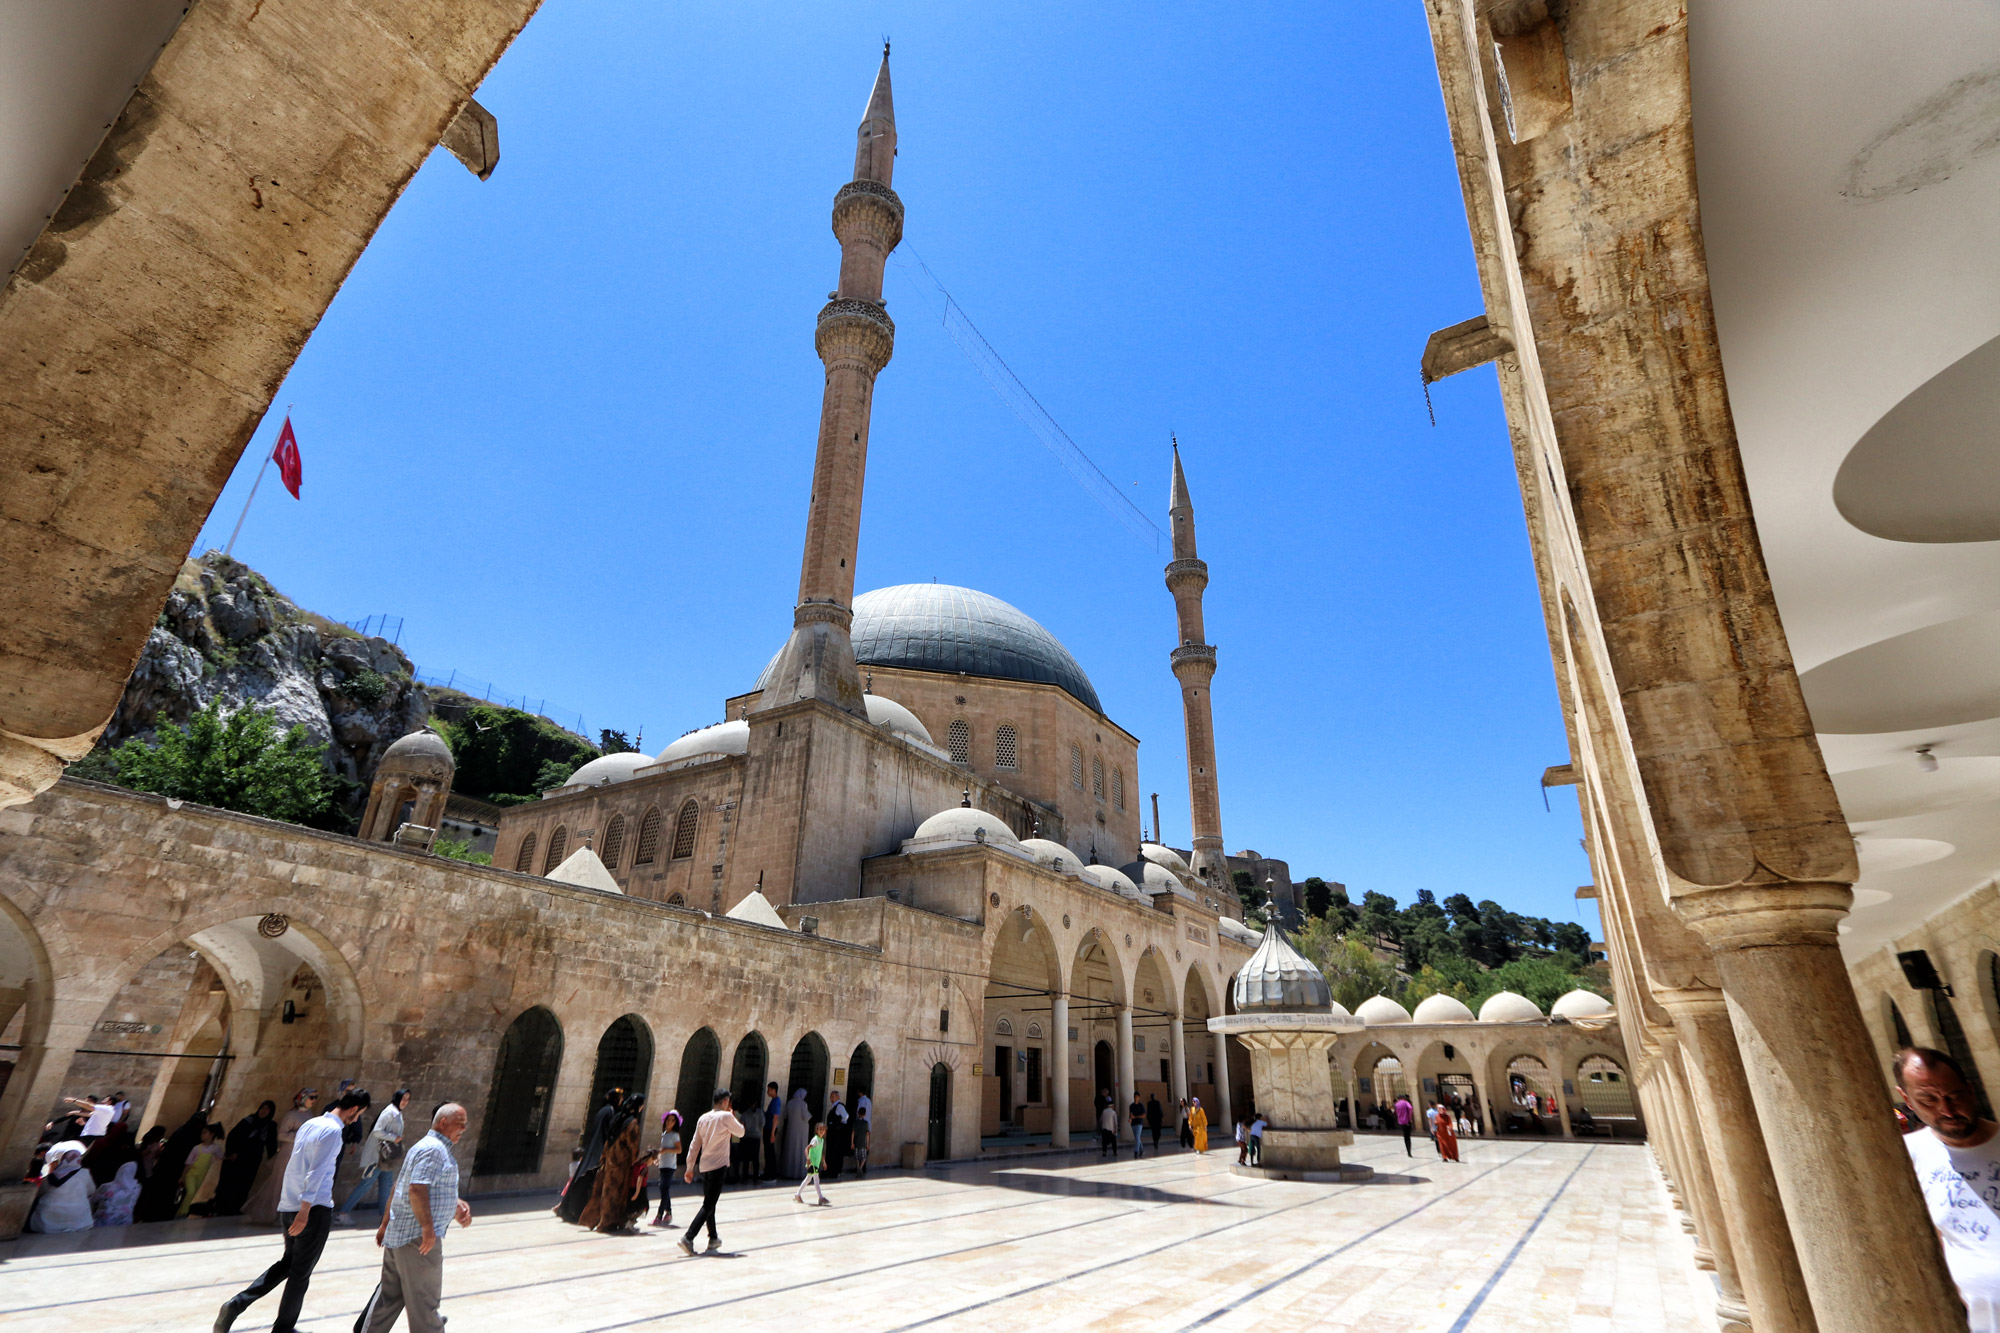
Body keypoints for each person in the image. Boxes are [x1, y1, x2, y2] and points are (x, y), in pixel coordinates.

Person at [214, 1087, 371, 1333]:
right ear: (354, 1109)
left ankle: (237, 1303)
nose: (357, 1118)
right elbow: (316, 1171)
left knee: (288, 1263)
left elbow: (294, 1163)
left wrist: (291, 1204)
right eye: (359, 1113)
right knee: (300, 1273)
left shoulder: (311, 1124)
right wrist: (305, 1209)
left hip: (290, 1204)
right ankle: (283, 1328)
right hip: (312, 1209)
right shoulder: (332, 1131)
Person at [1896, 1046, 2000, 1331]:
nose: (1947, 1110)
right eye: (1928, 1099)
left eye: (1954, 1096)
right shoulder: (1905, 1156)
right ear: (1907, 1099)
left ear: (1970, 1090)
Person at [355, 1102, 473, 1333]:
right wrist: (428, 1228)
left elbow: (401, 1185)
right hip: (418, 1240)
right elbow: (416, 1189)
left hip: (401, 1236)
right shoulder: (434, 1149)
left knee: (388, 1300)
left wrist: (454, 1204)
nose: (463, 1129)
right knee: (424, 1305)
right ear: (443, 1123)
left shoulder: (426, 1146)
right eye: (460, 1124)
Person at [679, 1087, 743, 1256]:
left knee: (710, 1204)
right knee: (708, 1204)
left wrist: (690, 1167)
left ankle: (713, 1238)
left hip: (705, 1166)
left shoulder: (703, 1118)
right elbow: (741, 1132)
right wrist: (732, 1116)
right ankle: (688, 1237)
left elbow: (695, 1144)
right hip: (719, 1165)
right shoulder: (726, 1116)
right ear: (724, 1102)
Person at [247, 1089, 318, 1226]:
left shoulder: (309, 1114)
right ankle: (274, 1215)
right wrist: (300, 1137)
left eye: (315, 1098)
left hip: (300, 1154)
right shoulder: (291, 1115)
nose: (314, 1100)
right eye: (311, 1097)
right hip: (287, 1153)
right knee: (279, 1184)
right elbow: (281, 1135)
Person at [580, 1092, 648, 1233]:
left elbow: (608, 1139)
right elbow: (633, 1146)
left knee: (603, 1191)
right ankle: (606, 1222)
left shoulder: (618, 1118)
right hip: (621, 1164)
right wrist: (636, 1160)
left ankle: (601, 1220)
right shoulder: (632, 1123)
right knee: (613, 1194)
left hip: (609, 1160)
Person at [338, 1089, 408, 1224]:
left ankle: (384, 1217)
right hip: (377, 1157)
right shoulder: (389, 1112)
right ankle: (343, 1213)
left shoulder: (397, 1113)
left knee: (386, 1185)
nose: (405, 1102)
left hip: (386, 1158)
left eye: (407, 1099)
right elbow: (377, 1131)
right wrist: (394, 1138)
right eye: (403, 1098)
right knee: (366, 1184)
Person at [558, 1088, 623, 1224]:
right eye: (620, 1098)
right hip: (598, 1151)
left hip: (591, 1150)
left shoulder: (603, 1110)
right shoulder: (610, 1112)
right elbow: (607, 1133)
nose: (622, 1100)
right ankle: (579, 1212)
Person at [136, 1110, 206, 1223]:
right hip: (173, 1170)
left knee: (163, 1195)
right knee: (163, 1195)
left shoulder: (183, 1132)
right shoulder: (191, 1135)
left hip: (168, 1170)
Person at [215, 1101, 278, 1216]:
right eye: (262, 1108)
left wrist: (275, 1158)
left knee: (244, 1184)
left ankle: (236, 1207)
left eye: (267, 1109)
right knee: (229, 1183)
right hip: (237, 1157)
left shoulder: (270, 1126)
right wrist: (232, 1152)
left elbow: (271, 1144)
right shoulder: (248, 1121)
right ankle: (222, 1208)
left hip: (252, 1160)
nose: (263, 1111)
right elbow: (233, 1136)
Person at [27, 1141, 93, 1233]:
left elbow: (39, 1193)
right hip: (79, 1220)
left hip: (48, 1223)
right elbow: (91, 1190)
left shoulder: (51, 1177)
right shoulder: (85, 1173)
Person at [178, 1122, 226, 1218]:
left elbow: (221, 1156)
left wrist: (230, 1157)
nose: (202, 1135)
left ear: (211, 1135)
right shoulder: (196, 1148)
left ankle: (184, 1211)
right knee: (190, 1192)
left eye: (205, 1133)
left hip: (201, 1175)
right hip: (191, 1174)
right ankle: (182, 1212)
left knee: (191, 1194)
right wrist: (182, 1177)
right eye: (202, 1133)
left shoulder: (215, 1148)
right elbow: (188, 1163)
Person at [651, 1109, 684, 1229]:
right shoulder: (664, 1134)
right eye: (668, 1120)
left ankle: (659, 1216)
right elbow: (662, 1149)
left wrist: (666, 1150)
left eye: (672, 1120)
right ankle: (668, 1213)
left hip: (670, 1166)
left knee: (664, 1188)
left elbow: (679, 1150)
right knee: (663, 1188)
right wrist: (658, 1157)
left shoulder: (675, 1135)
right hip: (663, 1164)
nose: (669, 1122)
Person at [92, 1159, 142, 1227]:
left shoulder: (106, 1186)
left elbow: (93, 1200)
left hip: (103, 1223)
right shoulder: (137, 1188)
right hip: (125, 1224)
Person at [794, 1121, 829, 1206]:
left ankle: (797, 1195)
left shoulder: (821, 1140)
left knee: (808, 1179)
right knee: (816, 1180)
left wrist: (823, 1162)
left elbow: (821, 1153)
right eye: (820, 1129)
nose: (822, 1131)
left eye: (823, 1130)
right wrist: (808, 1158)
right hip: (812, 1163)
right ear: (817, 1130)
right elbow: (807, 1149)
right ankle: (821, 1198)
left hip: (816, 1163)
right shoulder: (815, 1139)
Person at [779, 1087, 812, 1179]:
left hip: (791, 1130)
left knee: (790, 1150)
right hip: (801, 1131)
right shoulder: (803, 1104)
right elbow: (806, 1117)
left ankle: (787, 1172)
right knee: (800, 1150)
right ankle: (799, 1173)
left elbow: (785, 1115)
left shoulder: (790, 1103)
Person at [825, 1089, 851, 1180]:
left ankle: (834, 1171)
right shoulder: (834, 1106)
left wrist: (841, 1124)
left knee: (835, 1152)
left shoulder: (839, 1106)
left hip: (836, 1133)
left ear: (838, 1097)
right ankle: (830, 1170)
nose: (831, 1098)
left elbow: (846, 1116)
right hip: (833, 1132)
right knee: (831, 1151)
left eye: (833, 1097)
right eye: (831, 1097)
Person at [762, 1082, 783, 1180]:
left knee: (770, 1152)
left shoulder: (776, 1101)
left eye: (769, 1089)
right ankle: (768, 1171)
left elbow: (775, 1117)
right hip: (768, 1128)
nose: (768, 1091)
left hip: (770, 1129)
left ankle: (771, 1174)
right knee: (767, 1151)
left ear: (774, 1090)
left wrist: (772, 1133)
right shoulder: (773, 1101)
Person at [851, 1103, 872, 1177]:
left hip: (856, 1142)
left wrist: (852, 1143)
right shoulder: (866, 1123)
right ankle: (860, 1168)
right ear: (865, 1114)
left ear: (858, 1113)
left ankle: (858, 1169)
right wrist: (868, 1144)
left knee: (857, 1157)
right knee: (864, 1157)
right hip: (863, 1142)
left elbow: (853, 1133)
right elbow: (867, 1134)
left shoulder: (855, 1123)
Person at [1128, 1093, 1146, 1159]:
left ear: (1139, 1097)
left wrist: (1136, 1117)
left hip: (1139, 1123)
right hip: (1133, 1124)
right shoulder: (1131, 1106)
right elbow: (1130, 1115)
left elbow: (1144, 1115)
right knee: (1137, 1138)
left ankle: (1136, 1152)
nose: (1136, 1098)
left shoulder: (1141, 1105)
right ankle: (1141, 1149)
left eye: (1137, 1097)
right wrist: (1130, 1119)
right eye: (1135, 1097)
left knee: (1137, 1138)